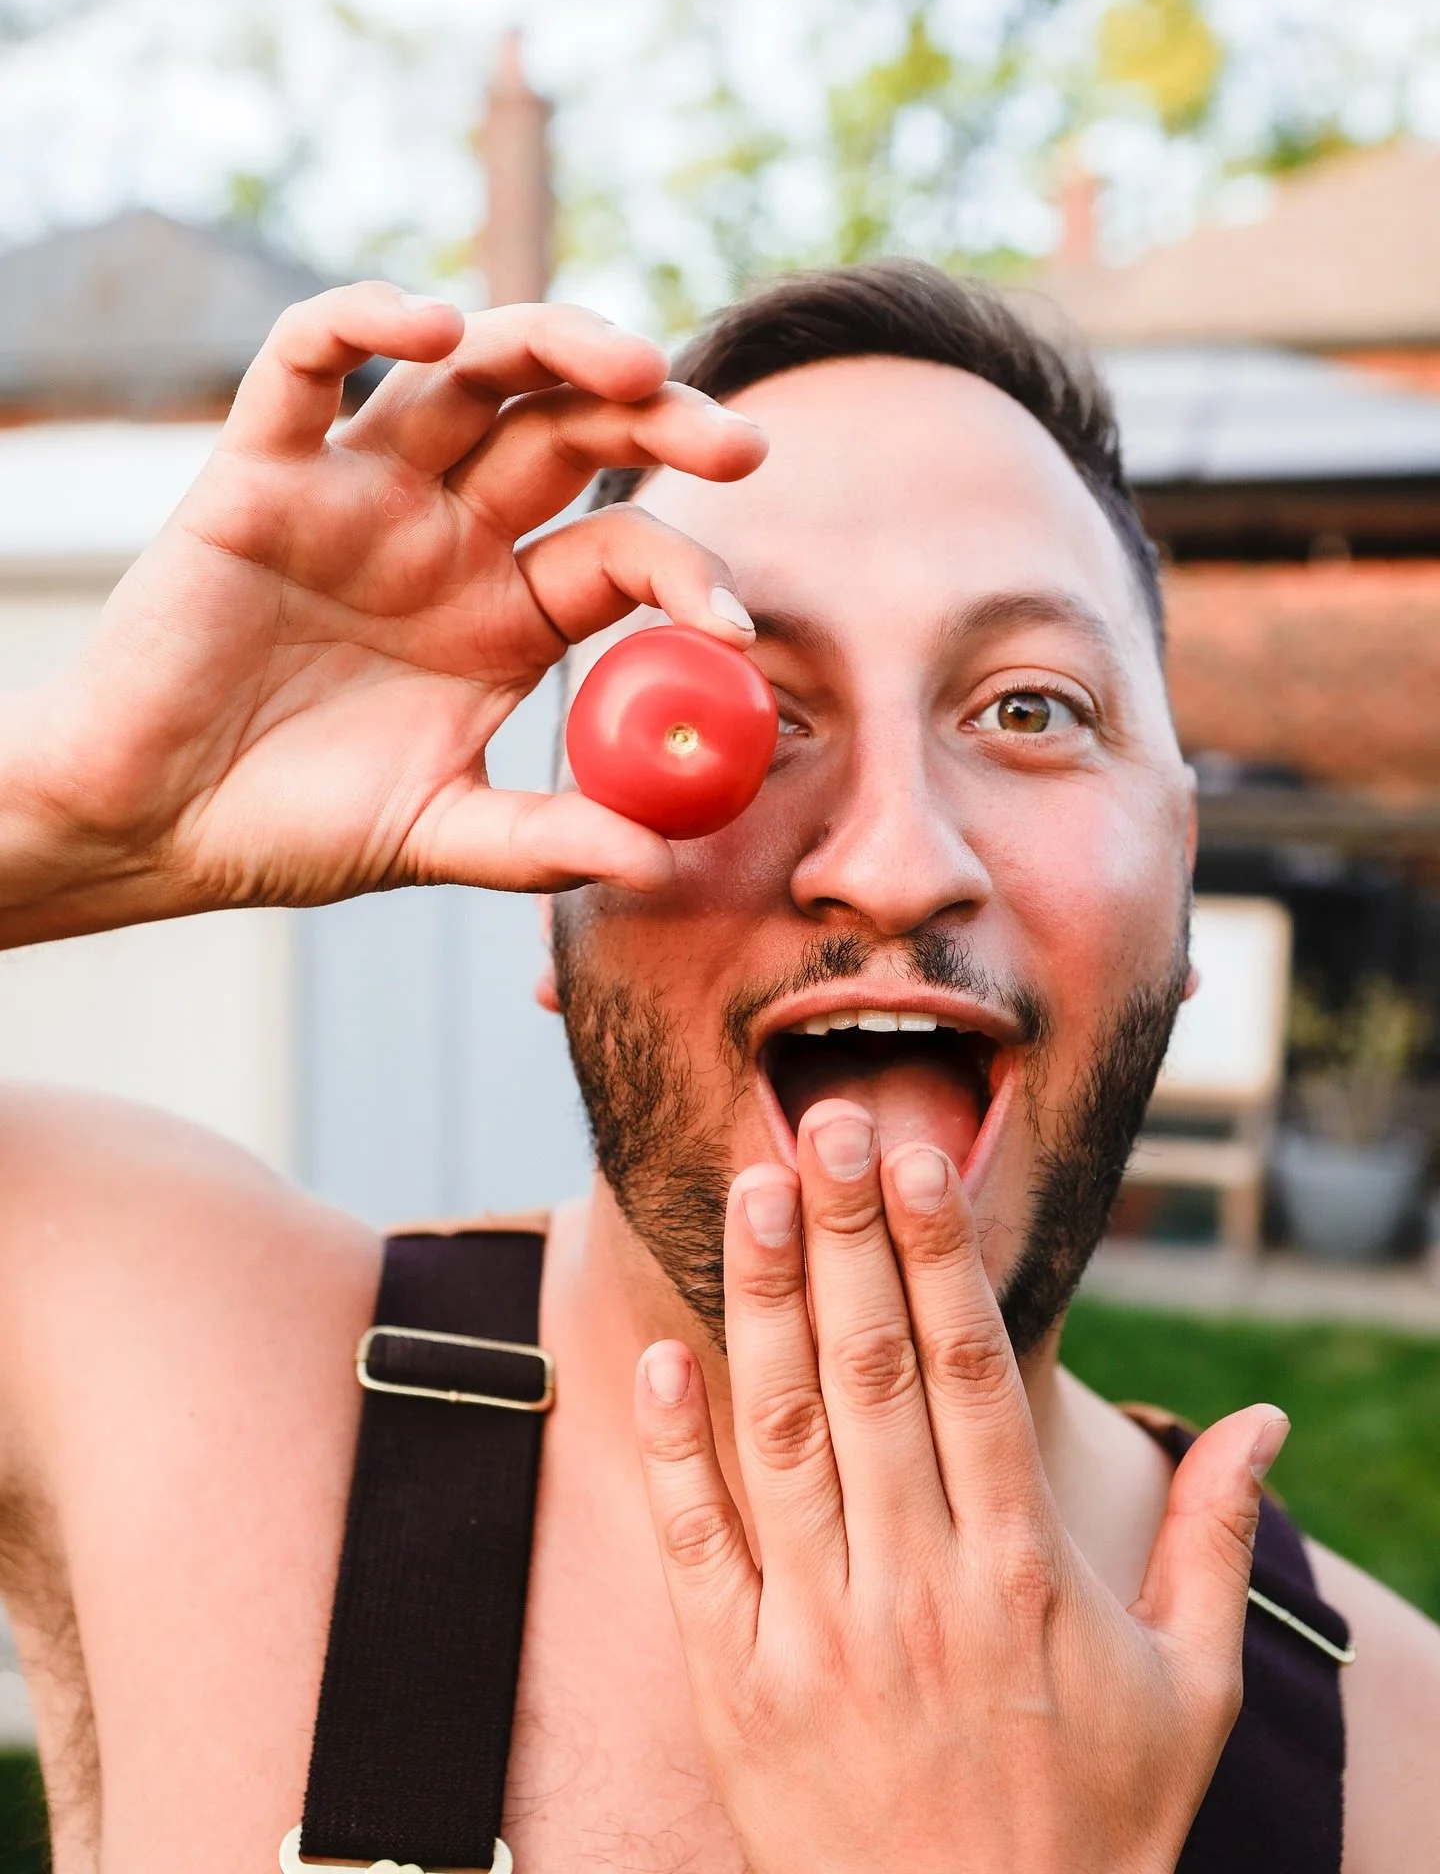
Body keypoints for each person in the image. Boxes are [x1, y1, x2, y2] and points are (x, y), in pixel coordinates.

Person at [0, 263, 1435, 1874]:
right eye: (755, 702)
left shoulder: (1411, 1777)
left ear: (1183, 886)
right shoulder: (156, 1359)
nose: (894, 863)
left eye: (1031, 705)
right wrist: (70, 816)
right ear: (558, 908)